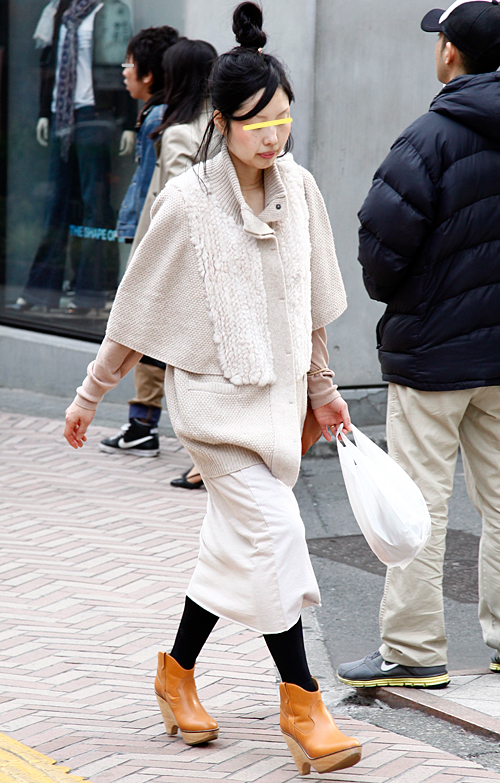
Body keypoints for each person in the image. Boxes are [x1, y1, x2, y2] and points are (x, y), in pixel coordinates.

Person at [64, 2, 362, 774]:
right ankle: (304, 703)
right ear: (222, 123)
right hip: (213, 408)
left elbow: (311, 304)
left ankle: (177, 673)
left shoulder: (301, 190)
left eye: (283, 118)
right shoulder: (188, 201)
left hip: (277, 405)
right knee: (276, 533)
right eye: (257, 121)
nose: (273, 134)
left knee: (234, 549)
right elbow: (136, 308)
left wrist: (323, 389)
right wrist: (90, 394)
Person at [337, 0, 500, 690]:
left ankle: (412, 649)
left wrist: (404, 298)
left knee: (420, 503)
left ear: (450, 53)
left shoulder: (428, 137)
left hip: (433, 353)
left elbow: (382, 245)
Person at [100, 38, 217, 491]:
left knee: (154, 340)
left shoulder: (176, 128)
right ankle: (180, 443)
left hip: (175, 256)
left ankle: (179, 445)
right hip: (207, 260)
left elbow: (173, 203)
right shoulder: (223, 124)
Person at [12, 0, 136, 316]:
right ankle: (42, 290)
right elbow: (49, 64)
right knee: (56, 203)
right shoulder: (60, 10)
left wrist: (127, 120)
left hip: (94, 114)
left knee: (94, 202)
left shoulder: (110, 10)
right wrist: (45, 112)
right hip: (62, 115)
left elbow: (122, 67)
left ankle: (90, 292)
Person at [116, 25, 179, 245]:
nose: (124, 72)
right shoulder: (160, 113)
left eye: (129, 64)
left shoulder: (156, 119)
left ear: (148, 75)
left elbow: (149, 189)